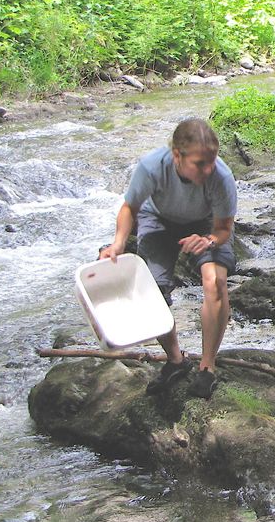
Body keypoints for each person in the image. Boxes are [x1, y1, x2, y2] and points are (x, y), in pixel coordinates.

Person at [100, 118, 237, 400]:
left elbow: (224, 229)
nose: (208, 169)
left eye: (211, 161)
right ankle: (176, 360)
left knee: (215, 283)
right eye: (200, 163)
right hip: (158, 219)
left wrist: (208, 240)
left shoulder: (221, 178)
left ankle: (207, 367)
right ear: (177, 155)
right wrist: (118, 244)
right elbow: (130, 208)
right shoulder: (152, 167)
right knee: (152, 293)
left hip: (205, 222)